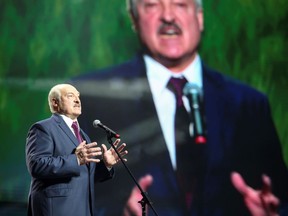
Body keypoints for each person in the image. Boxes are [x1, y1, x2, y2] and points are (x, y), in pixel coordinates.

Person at [71, 0, 288, 215]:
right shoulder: (90, 98)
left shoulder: (249, 104)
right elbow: (60, 201)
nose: (168, 16)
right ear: (134, 19)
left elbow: (281, 198)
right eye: (152, 5)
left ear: (200, 17)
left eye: (180, 4)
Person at [25, 83, 128, 216]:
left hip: (83, 209)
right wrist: (76, 159)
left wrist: (105, 165)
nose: (77, 100)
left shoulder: (83, 135)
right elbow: (37, 165)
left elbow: (82, 175)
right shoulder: (43, 128)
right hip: (56, 210)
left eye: (78, 96)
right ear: (55, 103)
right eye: (70, 96)